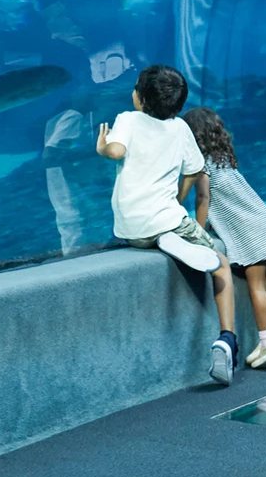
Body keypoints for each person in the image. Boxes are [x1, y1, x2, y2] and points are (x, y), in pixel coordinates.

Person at [96, 64, 242, 385]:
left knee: (160, 228)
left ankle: (162, 235)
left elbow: (116, 151)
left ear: (141, 99)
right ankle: (227, 338)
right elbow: (194, 170)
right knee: (220, 264)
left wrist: (103, 145)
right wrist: (178, 198)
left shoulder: (128, 120)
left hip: (130, 230)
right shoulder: (180, 130)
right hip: (166, 216)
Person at [182, 107, 266, 369]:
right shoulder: (224, 161)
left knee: (255, 286)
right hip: (265, 225)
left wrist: (198, 229)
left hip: (251, 234)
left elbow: (203, 198)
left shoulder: (202, 165)